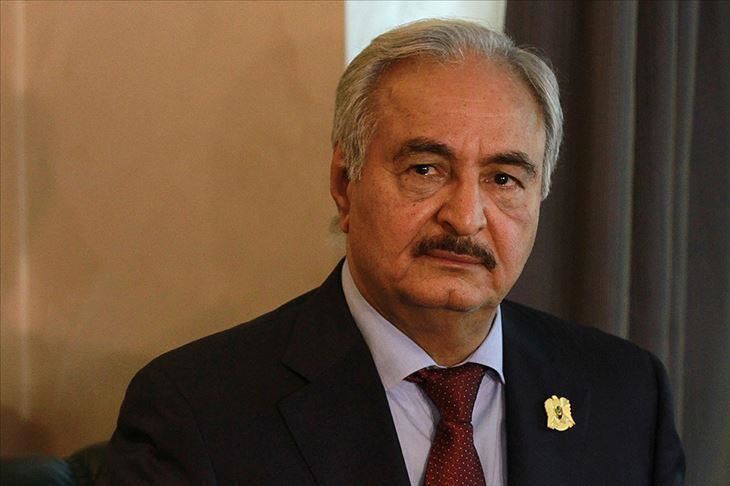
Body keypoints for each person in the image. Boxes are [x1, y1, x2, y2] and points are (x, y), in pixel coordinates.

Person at [99, 19, 685, 485]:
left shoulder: (626, 394)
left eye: (504, 179)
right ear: (344, 183)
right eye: (426, 169)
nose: (466, 217)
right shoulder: (196, 412)